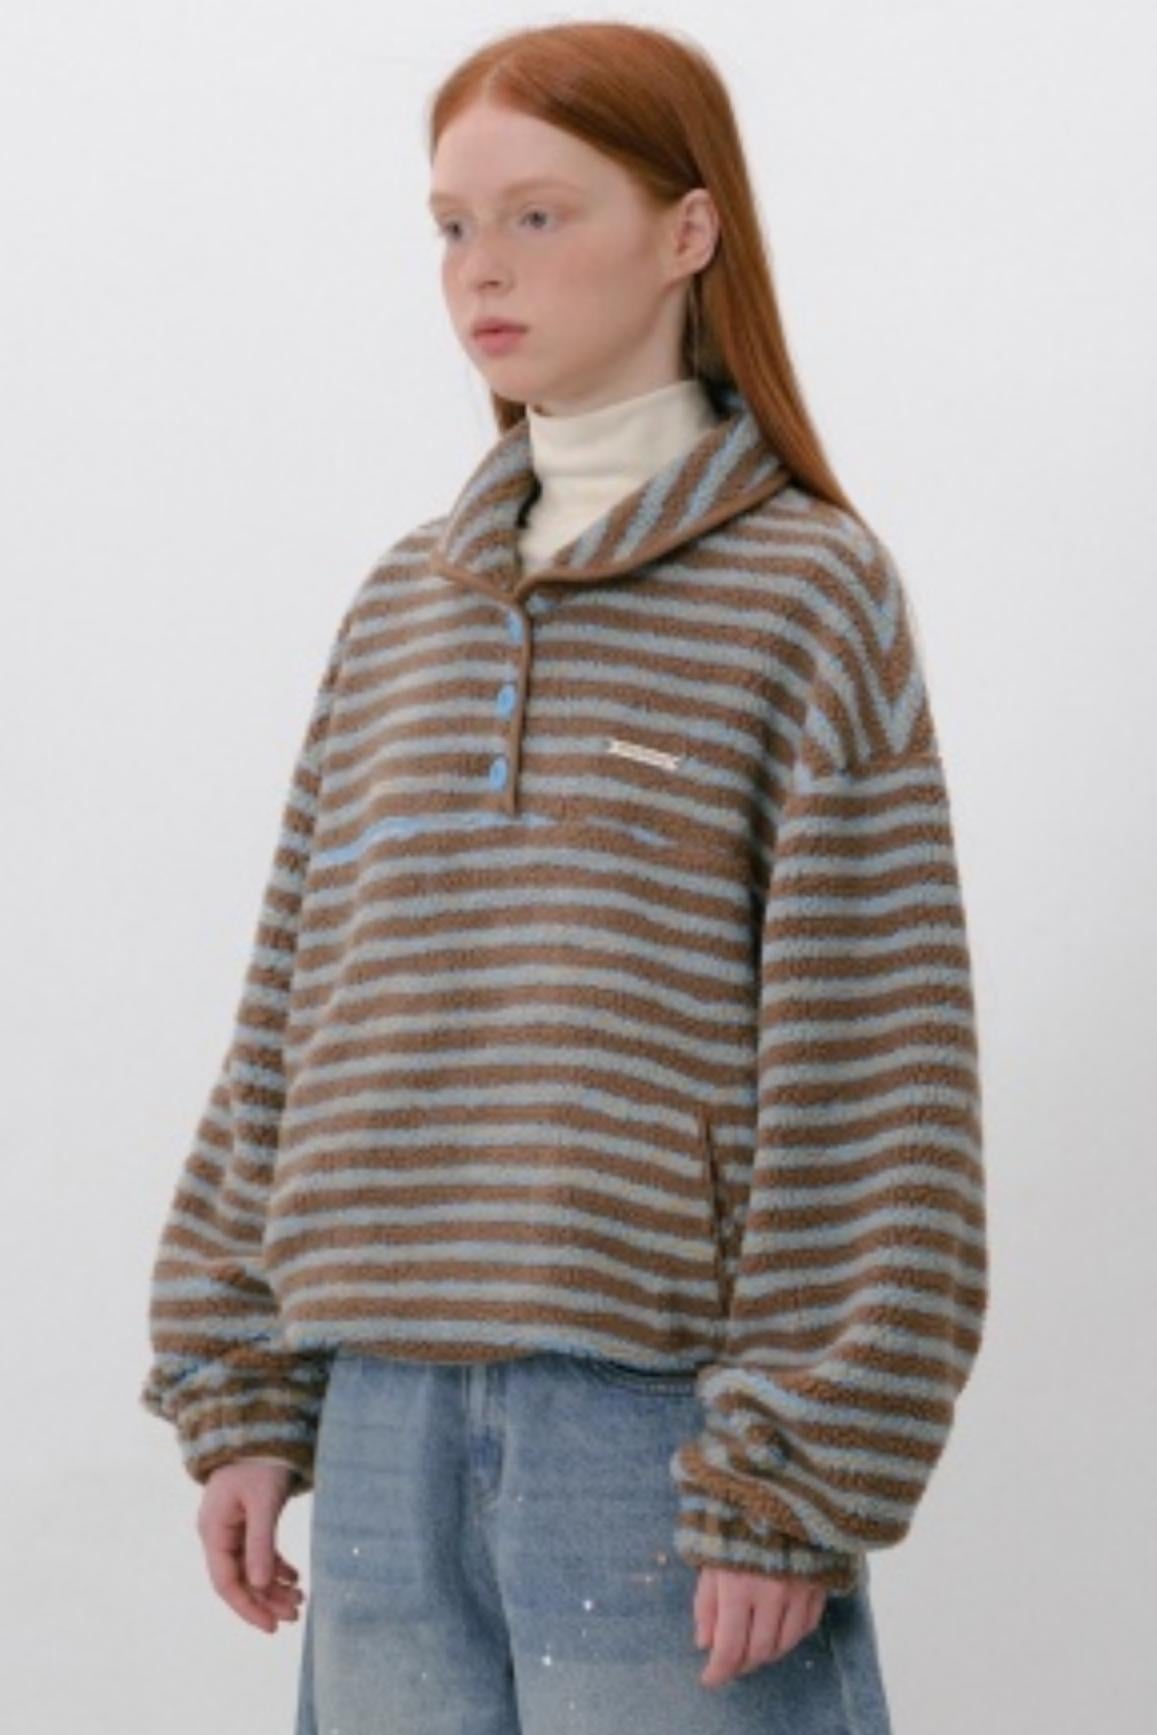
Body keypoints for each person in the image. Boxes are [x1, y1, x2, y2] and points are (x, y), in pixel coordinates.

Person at [139, 20, 988, 1733]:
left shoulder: (807, 593)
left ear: (686, 230)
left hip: (654, 1433)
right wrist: (240, 1388)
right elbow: (291, 1012)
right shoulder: (405, 607)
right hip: (378, 1421)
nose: (481, 269)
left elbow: (872, 1063)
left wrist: (791, 1479)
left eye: (538, 215)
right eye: (452, 224)